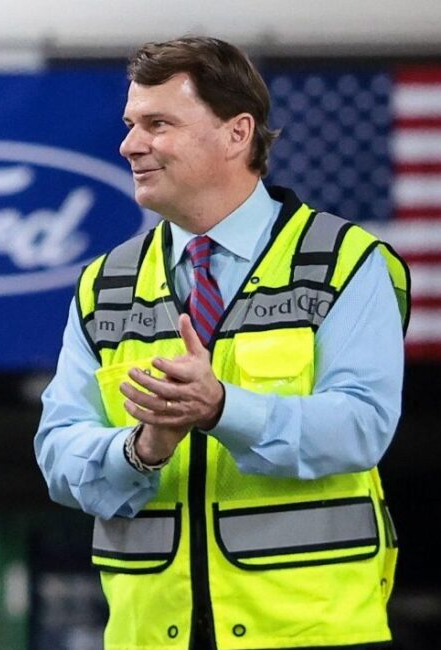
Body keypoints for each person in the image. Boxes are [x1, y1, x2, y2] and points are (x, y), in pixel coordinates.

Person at [34, 36, 409, 650]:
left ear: (238, 133)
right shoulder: (104, 287)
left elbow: (362, 425)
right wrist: (142, 449)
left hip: (311, 635)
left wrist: (222, 409)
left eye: (158, 124)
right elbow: (58, 454)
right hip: (152, 636)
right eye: (131, 124)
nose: (130, 144)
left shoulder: (346, 264)